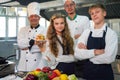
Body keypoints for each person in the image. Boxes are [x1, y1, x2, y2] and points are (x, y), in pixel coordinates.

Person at [75, 3, 118, 80]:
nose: (94, 15)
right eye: (92, 13)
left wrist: (87, 55)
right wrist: (95, 52)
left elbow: (109, 58)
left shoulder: (111, 34)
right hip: (88, 74)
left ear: (104, 13)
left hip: (105, 75)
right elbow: (77, 54)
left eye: (97, 12)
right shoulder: (86, 32)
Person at [63, 0, 90, 77]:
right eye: (67, 6)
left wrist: (81, 35)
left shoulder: (84, 19)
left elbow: (88, 35)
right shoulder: (63, 21)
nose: (69, 7)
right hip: (67, 56)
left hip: (81, 56)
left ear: (74, 5)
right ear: (64, 8)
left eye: (71, 5)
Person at [17, 2, 46, 71]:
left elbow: (43, 47)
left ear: (39, 18)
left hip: (39, 64)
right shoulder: (22, 30)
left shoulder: (45, 30)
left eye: (36, 16)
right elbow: (20, 44)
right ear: (28, 18)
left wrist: (27, 46)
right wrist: (33, 42)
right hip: (23, 65)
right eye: (31, 16)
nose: (33, 18)